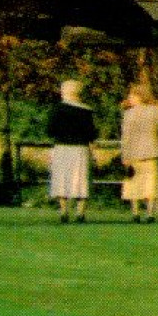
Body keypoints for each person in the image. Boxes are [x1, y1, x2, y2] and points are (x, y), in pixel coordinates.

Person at [47, 78, 98, 223]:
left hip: (62, 148)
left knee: (62, 179)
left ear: (64, 91)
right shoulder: (86, 111)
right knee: (80, 180)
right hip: (80, 149)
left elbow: (50, 130)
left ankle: (64, 211)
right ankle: (80, 213)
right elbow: (91, 134)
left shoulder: (57, 109)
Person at [120, 86, 158, 223]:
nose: (129, 99)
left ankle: (136, 213)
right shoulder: (156, 111)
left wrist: (125, 155)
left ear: (140, 96)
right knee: (150, 182)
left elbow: (126, 136)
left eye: (132, 96)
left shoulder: (129, 114)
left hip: (134, 152)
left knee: (134, 183)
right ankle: (150, 213)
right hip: (152, 150)